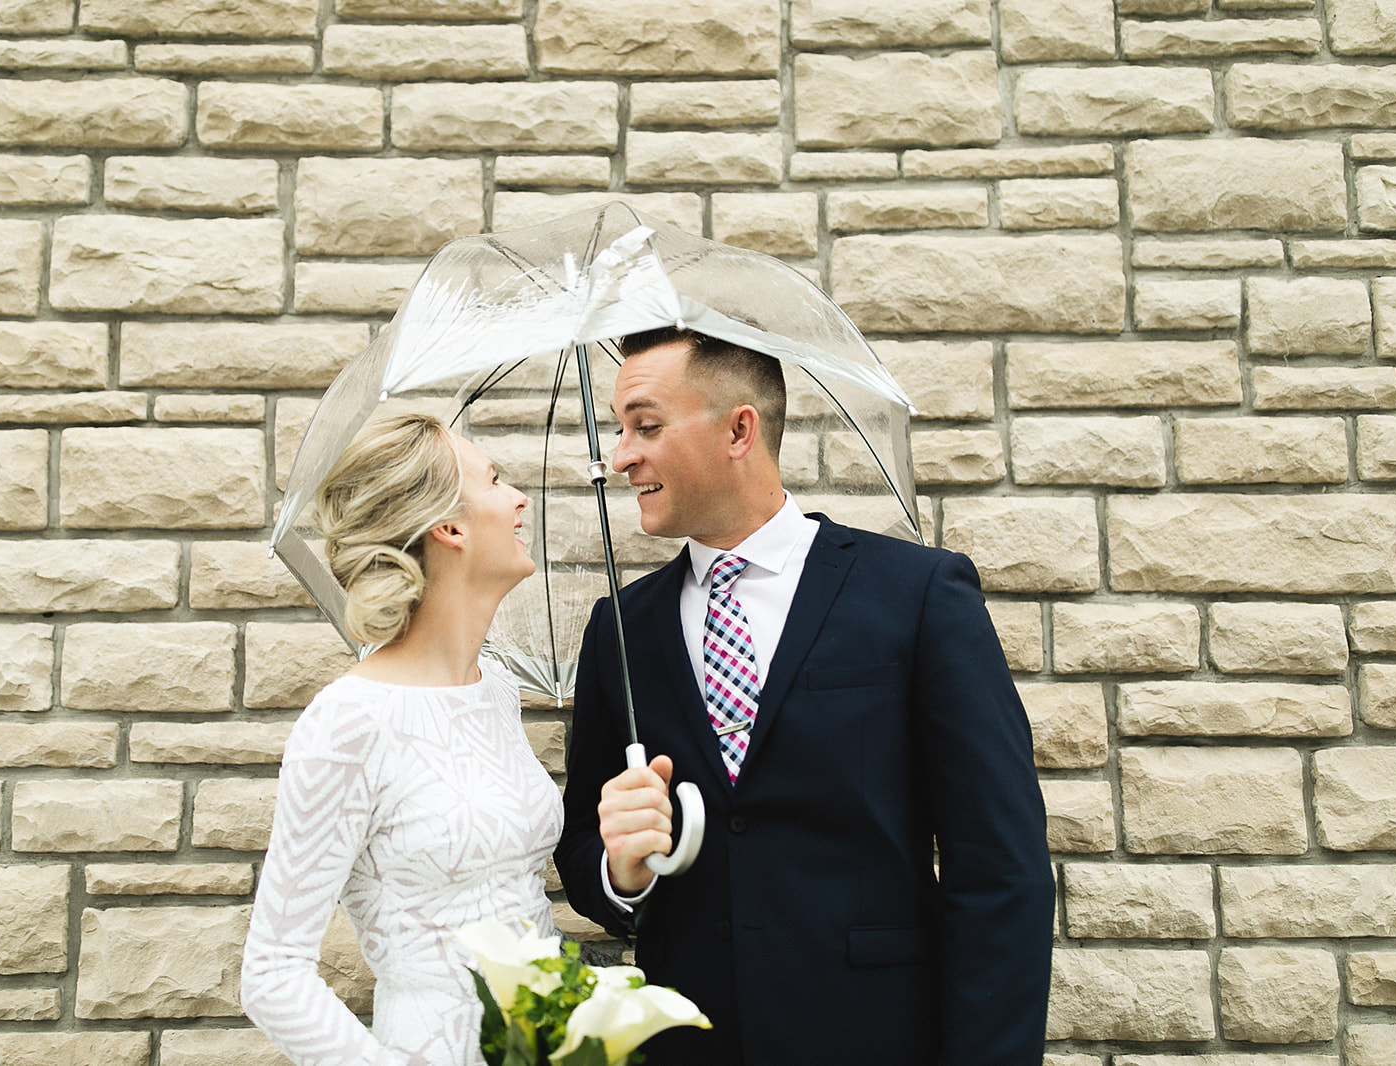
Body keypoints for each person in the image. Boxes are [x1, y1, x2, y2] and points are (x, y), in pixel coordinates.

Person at [555, 328, 1054, 1065]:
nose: (620, 455)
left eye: (645, 426)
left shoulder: (917, 596)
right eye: (619, 431)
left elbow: (1002, 873)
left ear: (739, 429)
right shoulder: (621, 629)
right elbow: (585, 861)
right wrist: (619, 871)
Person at [242, 413, 562, 1066]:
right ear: (449, 528)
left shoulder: (495, 688)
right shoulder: (349, 723)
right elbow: (273, 972)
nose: (518, 498)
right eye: (496, 481)